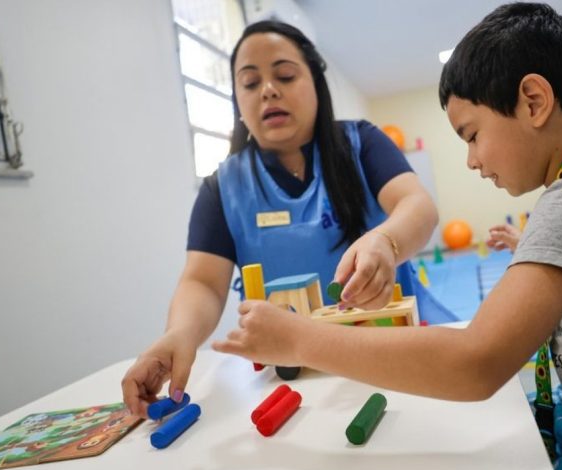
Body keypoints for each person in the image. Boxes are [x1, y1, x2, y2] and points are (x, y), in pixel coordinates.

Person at [213, 4, 562, 470]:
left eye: (472, 135)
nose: (473, 161)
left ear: (532, 101)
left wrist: (302, 341)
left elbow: (475, 364)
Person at [122, 20, 447, 419]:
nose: (269, 90)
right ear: (238, 102)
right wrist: (178, 335)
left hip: (392, 354)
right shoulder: (222, 188)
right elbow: (203, 282)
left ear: (315, 82)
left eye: (285, 75)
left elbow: (417, 206)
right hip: (290, 381)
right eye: (250, 82)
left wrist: (386, 241)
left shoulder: (361, 143)